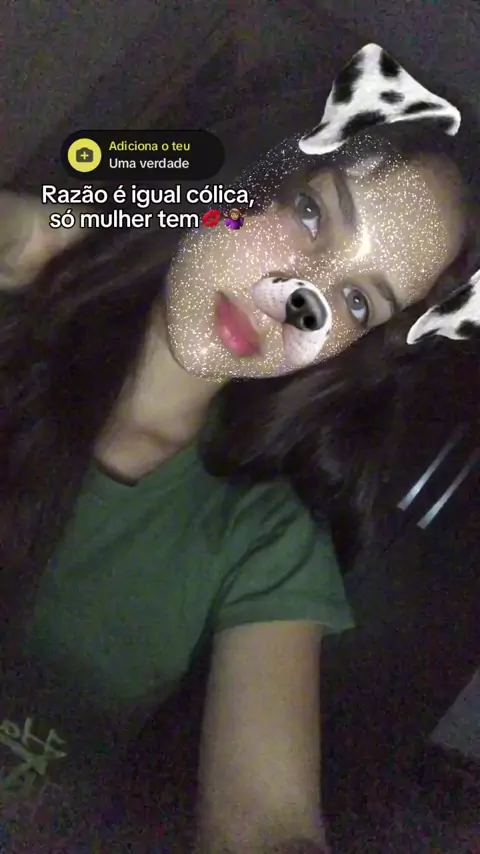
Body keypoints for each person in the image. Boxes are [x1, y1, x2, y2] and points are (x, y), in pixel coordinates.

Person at [0, 44, 478, 853]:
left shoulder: (267, 539)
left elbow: (264, 822)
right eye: (311, 214)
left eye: (357, 300)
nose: (299, 301)